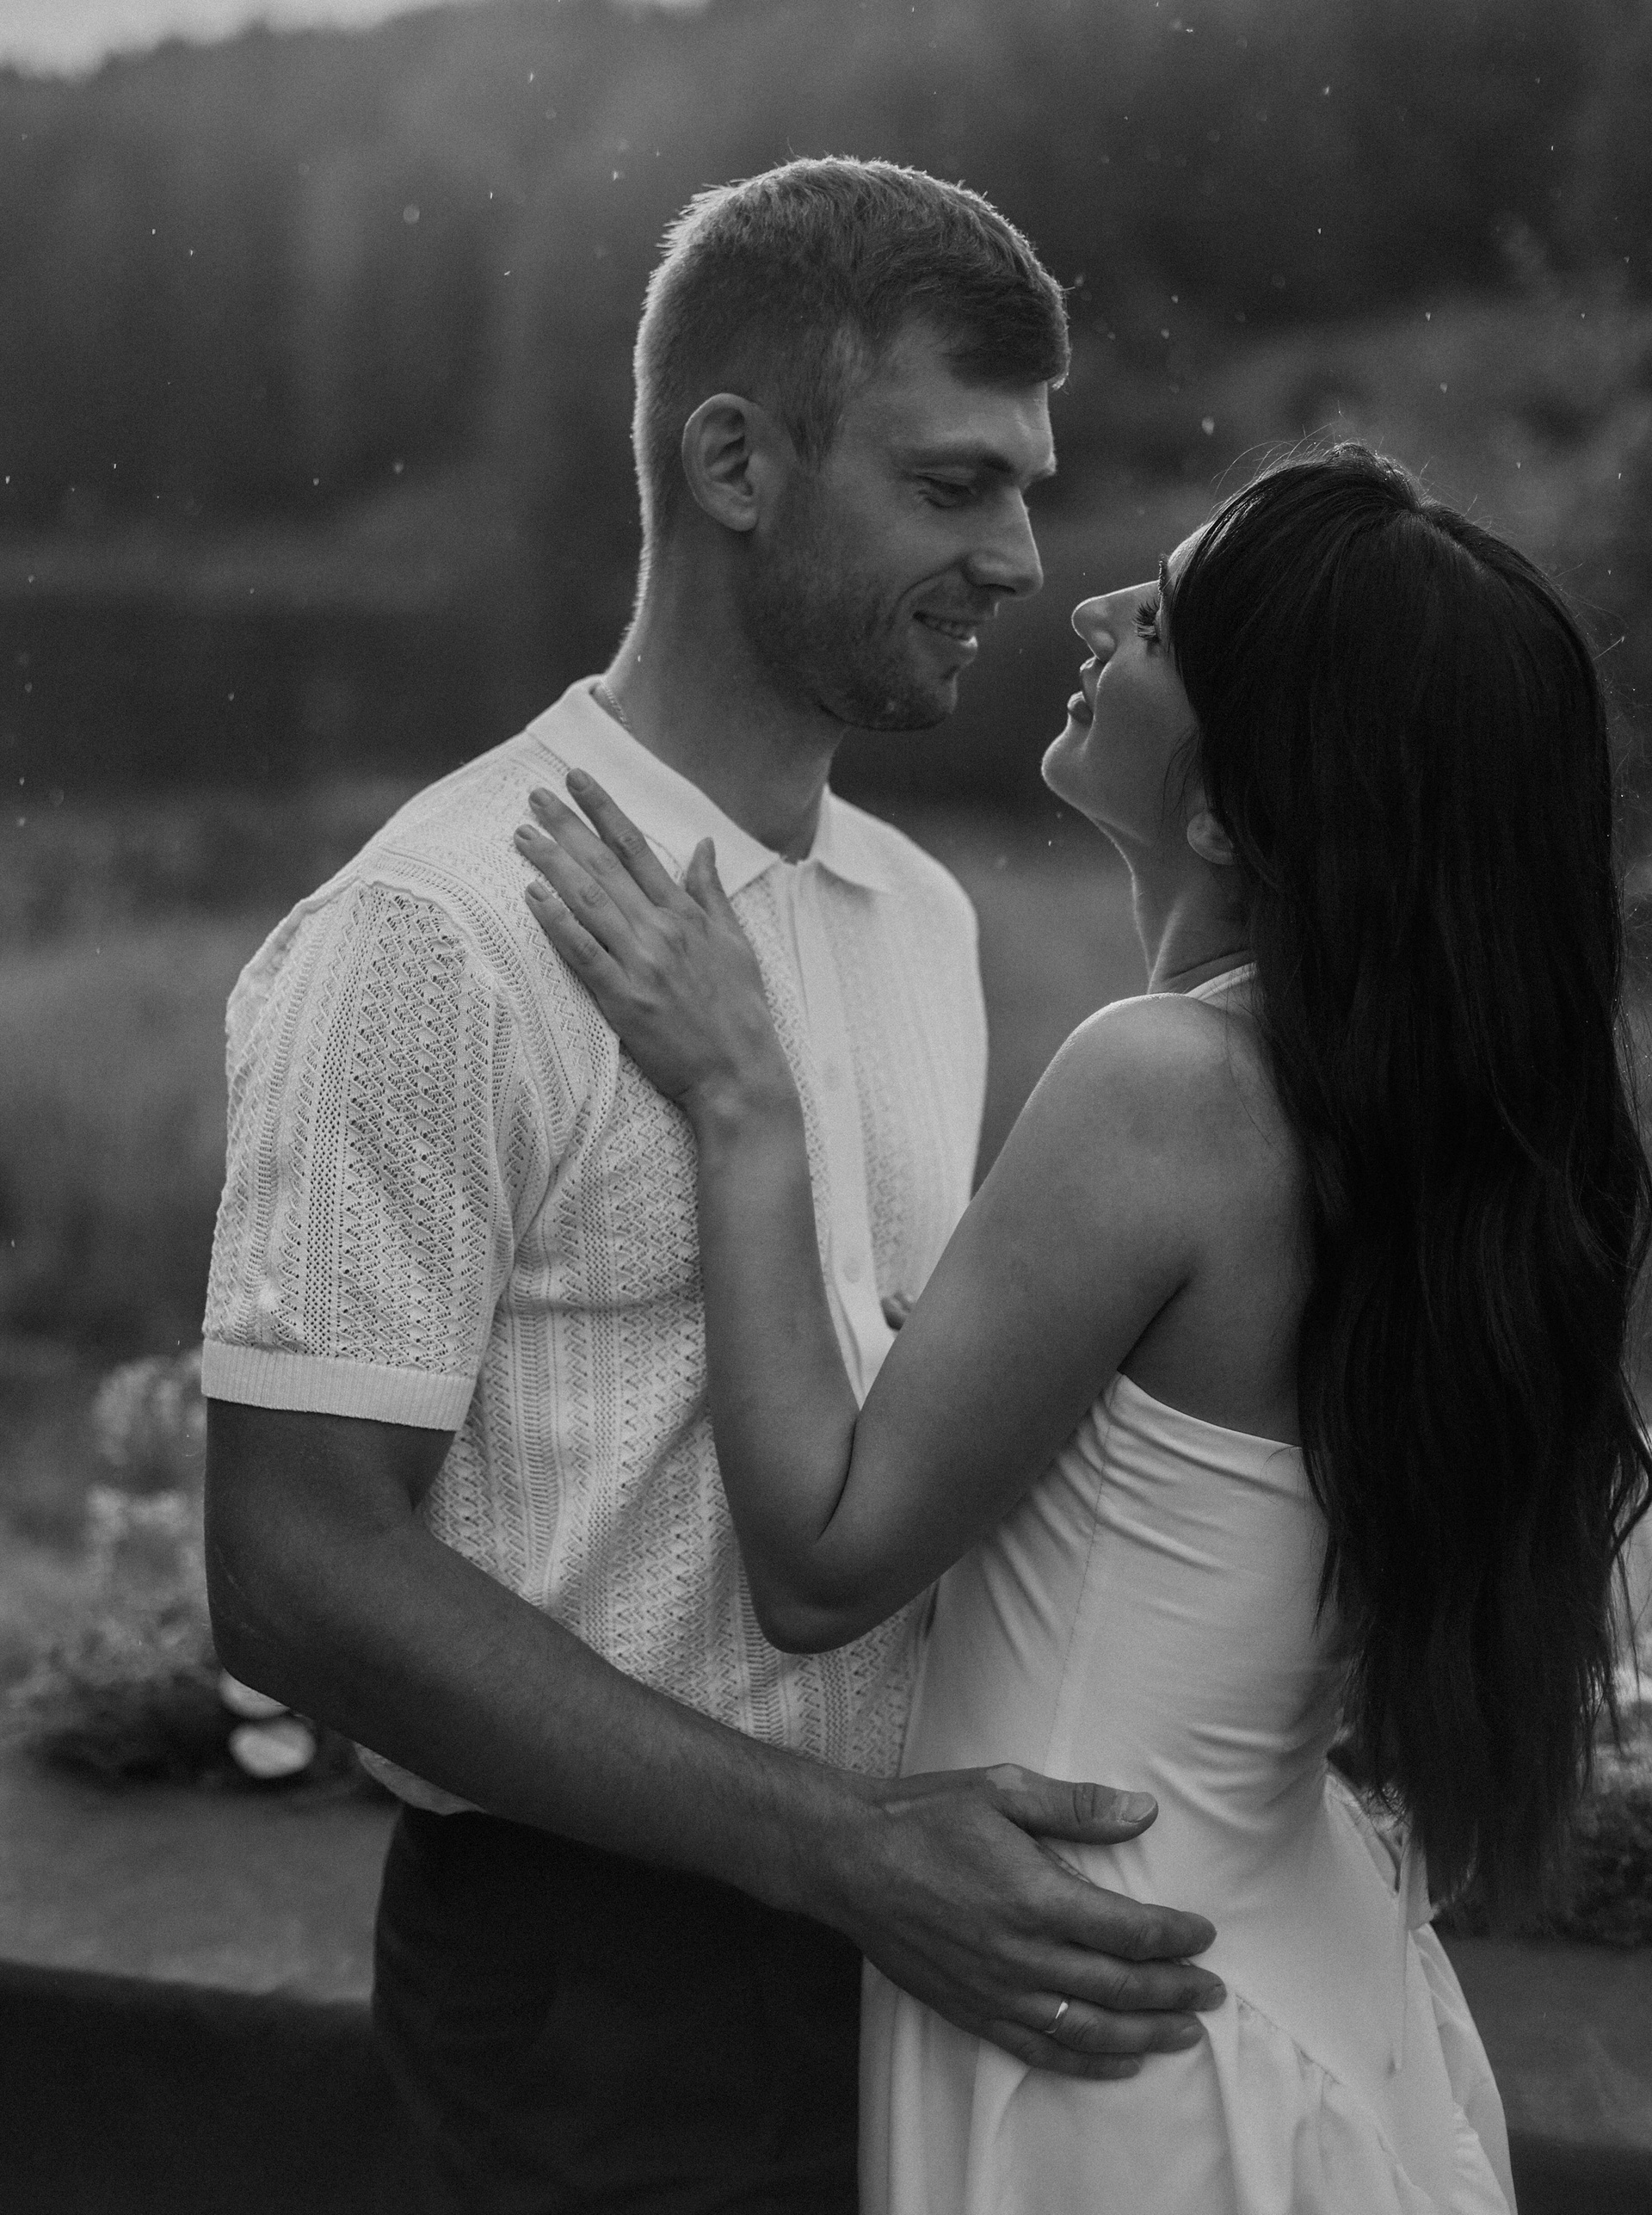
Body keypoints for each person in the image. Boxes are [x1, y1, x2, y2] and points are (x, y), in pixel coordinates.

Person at [200, 157, 1225, 2215]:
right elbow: (295, 1569)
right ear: (736, 463)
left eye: (1024, 489)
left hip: (915, 1953)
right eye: (951, 487)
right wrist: (832, 1847)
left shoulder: (920, 914)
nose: (1021, 558)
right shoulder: (435, 933)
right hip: (597, 1997)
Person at [515, 444, 1652, 2214]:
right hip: (1293, 1977)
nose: (1099, 605)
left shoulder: (1169, 1085)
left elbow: (819, 1562)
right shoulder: (1409, 1121)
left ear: (1231, 808)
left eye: (1167, 623)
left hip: (1105, 2014)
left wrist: (744, 1098)